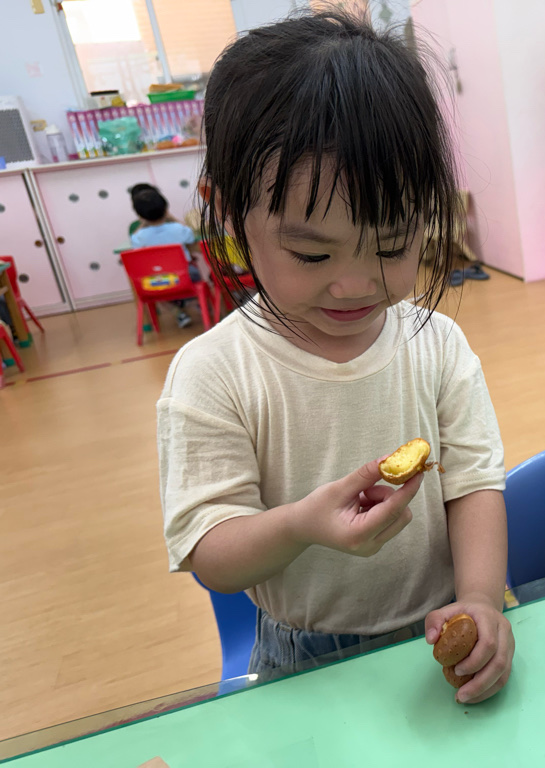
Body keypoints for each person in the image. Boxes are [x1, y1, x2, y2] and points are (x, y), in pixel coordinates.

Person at [157, 10, 513, 704]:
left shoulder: (438, 346)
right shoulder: (215, 372)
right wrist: (300, 525)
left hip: (437, 629)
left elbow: (473, 485)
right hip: (303, 655)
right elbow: (211, 550)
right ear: (227, 213)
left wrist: (479, 599)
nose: (355, 285)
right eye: (312, 254)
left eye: (392, 245)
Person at [130, 183, 201, 328]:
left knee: (153, 290)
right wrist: (171, 217)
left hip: (158, 281)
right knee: (194, 277)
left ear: (139, 215)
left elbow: (134, 243)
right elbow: (191, 236)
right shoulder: (179, 229)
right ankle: (195, 304)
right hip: (185, 277)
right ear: (165, 208)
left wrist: (143, 222)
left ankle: (178, 313)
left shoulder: (139, 237)